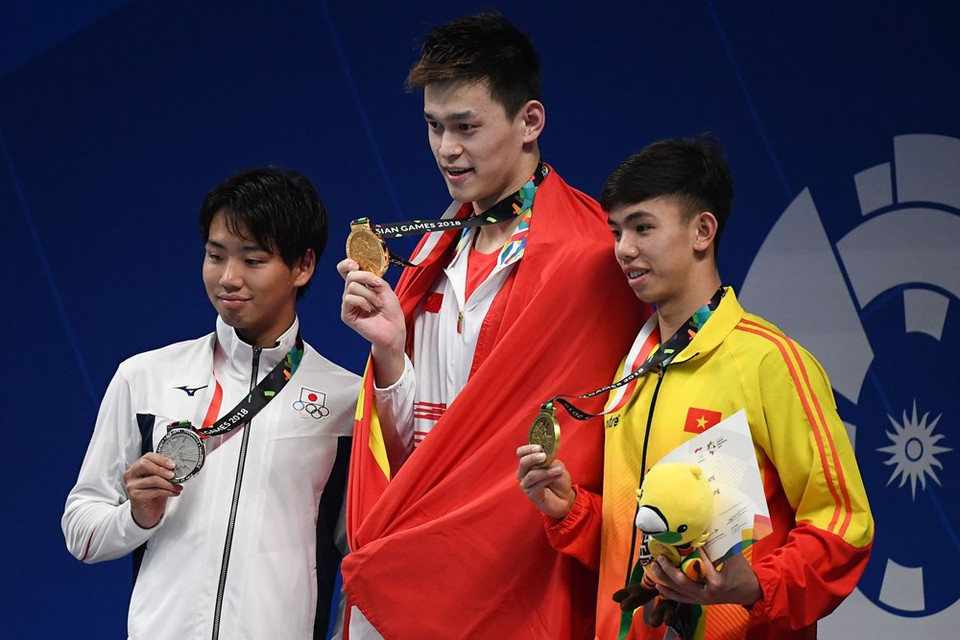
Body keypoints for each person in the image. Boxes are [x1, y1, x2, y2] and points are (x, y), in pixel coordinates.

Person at [337, 12, 649, 640]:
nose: (446, 149)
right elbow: (416, 453)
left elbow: (608, 452)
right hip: (414, 573)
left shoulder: (593, 257)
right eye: (433, 126)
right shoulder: (431, 256)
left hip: (513, 585)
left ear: (530, 121)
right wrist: (391, 355)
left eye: (466, 127)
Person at [517, 136, 874, 639]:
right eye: (617, 231)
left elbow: (844, 524)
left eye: (643, 227)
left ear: (702, 231)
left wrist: (755, 584)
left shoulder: (769, 361)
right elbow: (646, 538)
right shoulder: (632, 370)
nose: (624, 249)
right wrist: (570, 510)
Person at [62, 167, 360, 640]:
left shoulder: (346, 401)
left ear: (303, 266)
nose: (228, 278)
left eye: (254, 260)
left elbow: (365, 554)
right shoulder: (144, 377)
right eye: (215, 255)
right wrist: (136, 516)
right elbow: (81, 531)